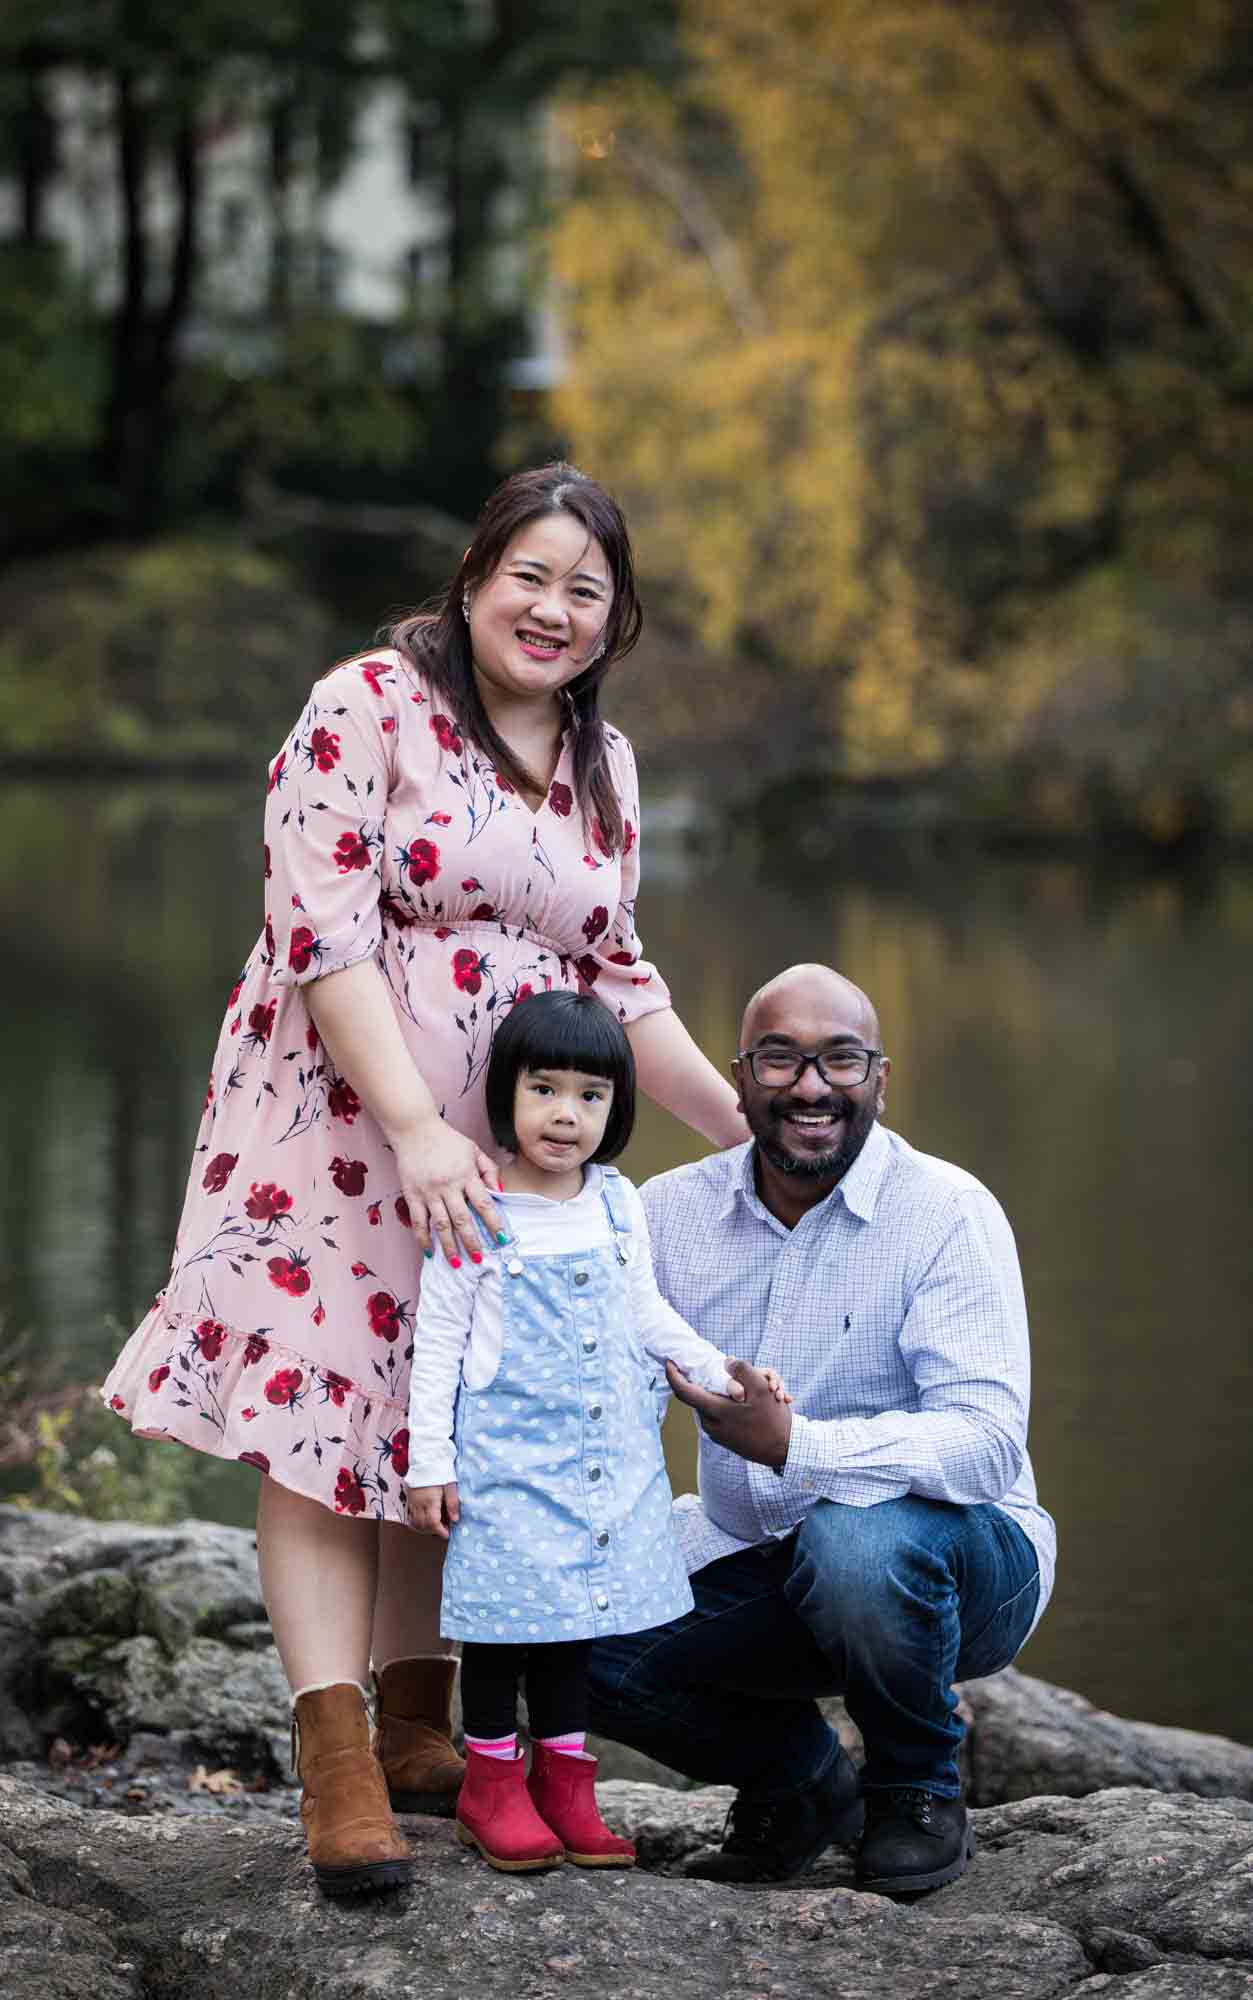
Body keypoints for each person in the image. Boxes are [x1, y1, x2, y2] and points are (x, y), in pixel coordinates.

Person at [99, 463, 748, 1895]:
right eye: (531, 574)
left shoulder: (606, 768)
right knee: (329, 1427)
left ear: (613, 620)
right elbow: (318, 931)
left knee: (443, 1418)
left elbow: (615, 979)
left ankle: (417, 1730)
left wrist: (743, 1129)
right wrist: (409, 1123)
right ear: (473, 578)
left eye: (587, 589)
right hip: (338, 1129)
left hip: (506, 1169)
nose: (554, 608)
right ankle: (335, 1766)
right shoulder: (367, 705)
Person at [588, 962, 1056, 1898]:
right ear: (741, 1076)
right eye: (780, 1059)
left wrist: (797, 1447)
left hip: (961, 1566)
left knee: (854, 1539)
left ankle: (915, 1788)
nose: (810, 1086)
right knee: (562, 1640)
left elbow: (985, 1440)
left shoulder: (947, 1214)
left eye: (840, 1061)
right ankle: (801, 1783)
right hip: (755, 1554)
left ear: (879, 1079)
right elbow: (605, 1392)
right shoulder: (665, 1215)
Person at [405, 990, 788, 1874]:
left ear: (615, 1108)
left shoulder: (617, 1206)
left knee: (577, 1632)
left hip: (602, 1465)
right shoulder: (476, 1208)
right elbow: (439, 1349)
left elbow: (645, 1310)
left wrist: (720, 1368)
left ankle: (565, 1786)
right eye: (543, 1090)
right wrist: (430, 1463)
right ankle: (491, 1785)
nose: (565, 1115)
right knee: (505, 1633)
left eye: (590, 1095)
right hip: (505, 1468)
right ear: (507, 1095)